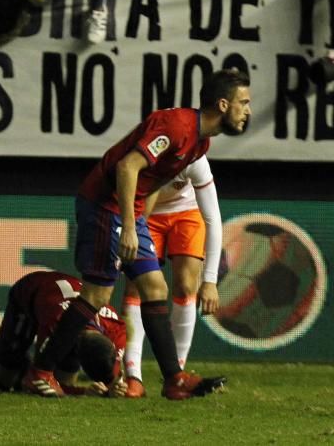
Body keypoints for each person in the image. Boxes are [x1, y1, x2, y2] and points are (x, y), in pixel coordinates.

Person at [25, 68, 250, 400]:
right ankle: (40, 372)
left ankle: (174, 380)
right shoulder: (177, 127)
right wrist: (130, 226)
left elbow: (154, 177)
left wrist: (138, 219)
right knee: (97, 296)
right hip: (104, 206)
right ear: (222, 104)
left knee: (155, 287)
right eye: (243, 102)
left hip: (128, 210)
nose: (247, 110)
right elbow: (127, 167)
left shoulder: (200, 142)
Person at [0, 270, 128, 396]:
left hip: (55, 298)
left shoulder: (116, 328)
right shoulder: (57, 327)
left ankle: (20, 365)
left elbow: (112, 377)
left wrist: (114, 386)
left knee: (60, 383)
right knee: (1, 383)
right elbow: (36, 382)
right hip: (27, 295)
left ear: (111, 344)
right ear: (72, 347)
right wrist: (83, 391)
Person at [122, 154, 223, 398]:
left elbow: (213, 218)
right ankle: (132, 375)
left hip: (186, 212)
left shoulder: (195, 158)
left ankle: (176, 376)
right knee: (137, 287)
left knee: (186, 285)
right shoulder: (144, 153)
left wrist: (210, 280)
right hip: (144, 215)